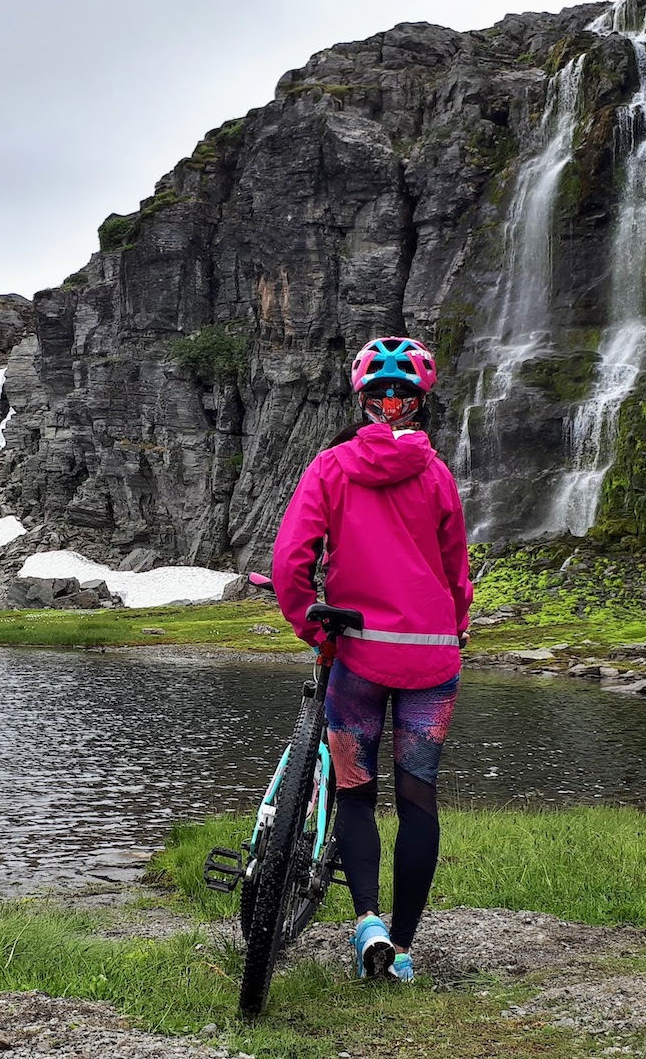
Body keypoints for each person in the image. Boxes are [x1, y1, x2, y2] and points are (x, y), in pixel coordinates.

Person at [269, 336, 473, 984]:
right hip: (433, 659)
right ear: (417, 404)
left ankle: (367, 924)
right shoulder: (437, 475)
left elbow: (290, 563)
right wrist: (456, 630)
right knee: (419, 799)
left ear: (365, 401)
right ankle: (404, 951)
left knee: (354, 795)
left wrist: (312, 627)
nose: (390, 401)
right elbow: (456, 574)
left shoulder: (330, 468)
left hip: (356, 653)